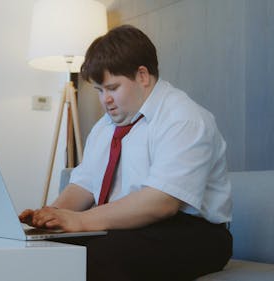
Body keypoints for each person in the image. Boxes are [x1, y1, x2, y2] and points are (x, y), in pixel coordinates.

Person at [19, 24, 232, 281]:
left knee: (100, 255)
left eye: (112, 88)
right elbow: (84, 187)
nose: (104, 100)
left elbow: (161, 203)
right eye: (99, 90)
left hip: (195, 232)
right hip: (134, 226)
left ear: (142, 76)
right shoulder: (105, 126)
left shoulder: (184, 119)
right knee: (42, 251)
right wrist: (50, 218)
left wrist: (81, 221)